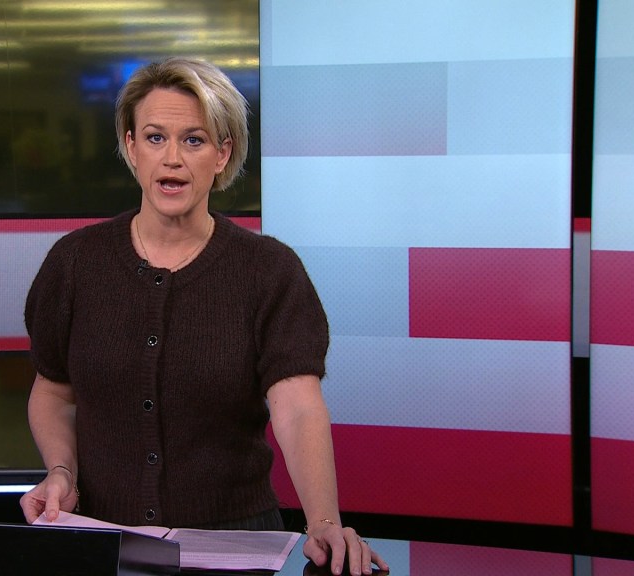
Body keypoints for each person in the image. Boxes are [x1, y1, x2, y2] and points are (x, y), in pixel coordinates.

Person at [20, 57, 388, 576]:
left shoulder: (269, 271)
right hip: (103, 543)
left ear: (222, 154)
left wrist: (324, 520)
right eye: (155, 138)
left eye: (194, 140)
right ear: (131, 146)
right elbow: (54, 392)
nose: (172, 158)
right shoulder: (76, 263)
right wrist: (62, 471)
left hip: (236, 546)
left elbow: (298, 408)